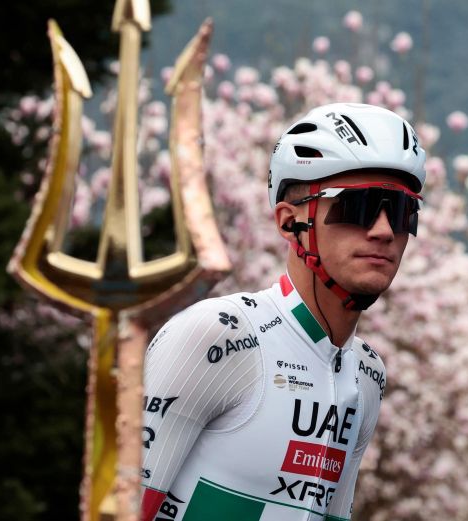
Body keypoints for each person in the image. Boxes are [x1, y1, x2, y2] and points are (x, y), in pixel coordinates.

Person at [139, 103, 426, 521]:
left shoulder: (366, 373)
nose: (383, 230)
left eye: (402, 212)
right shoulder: (216, 337)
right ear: (290, 222)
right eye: (359, 207)